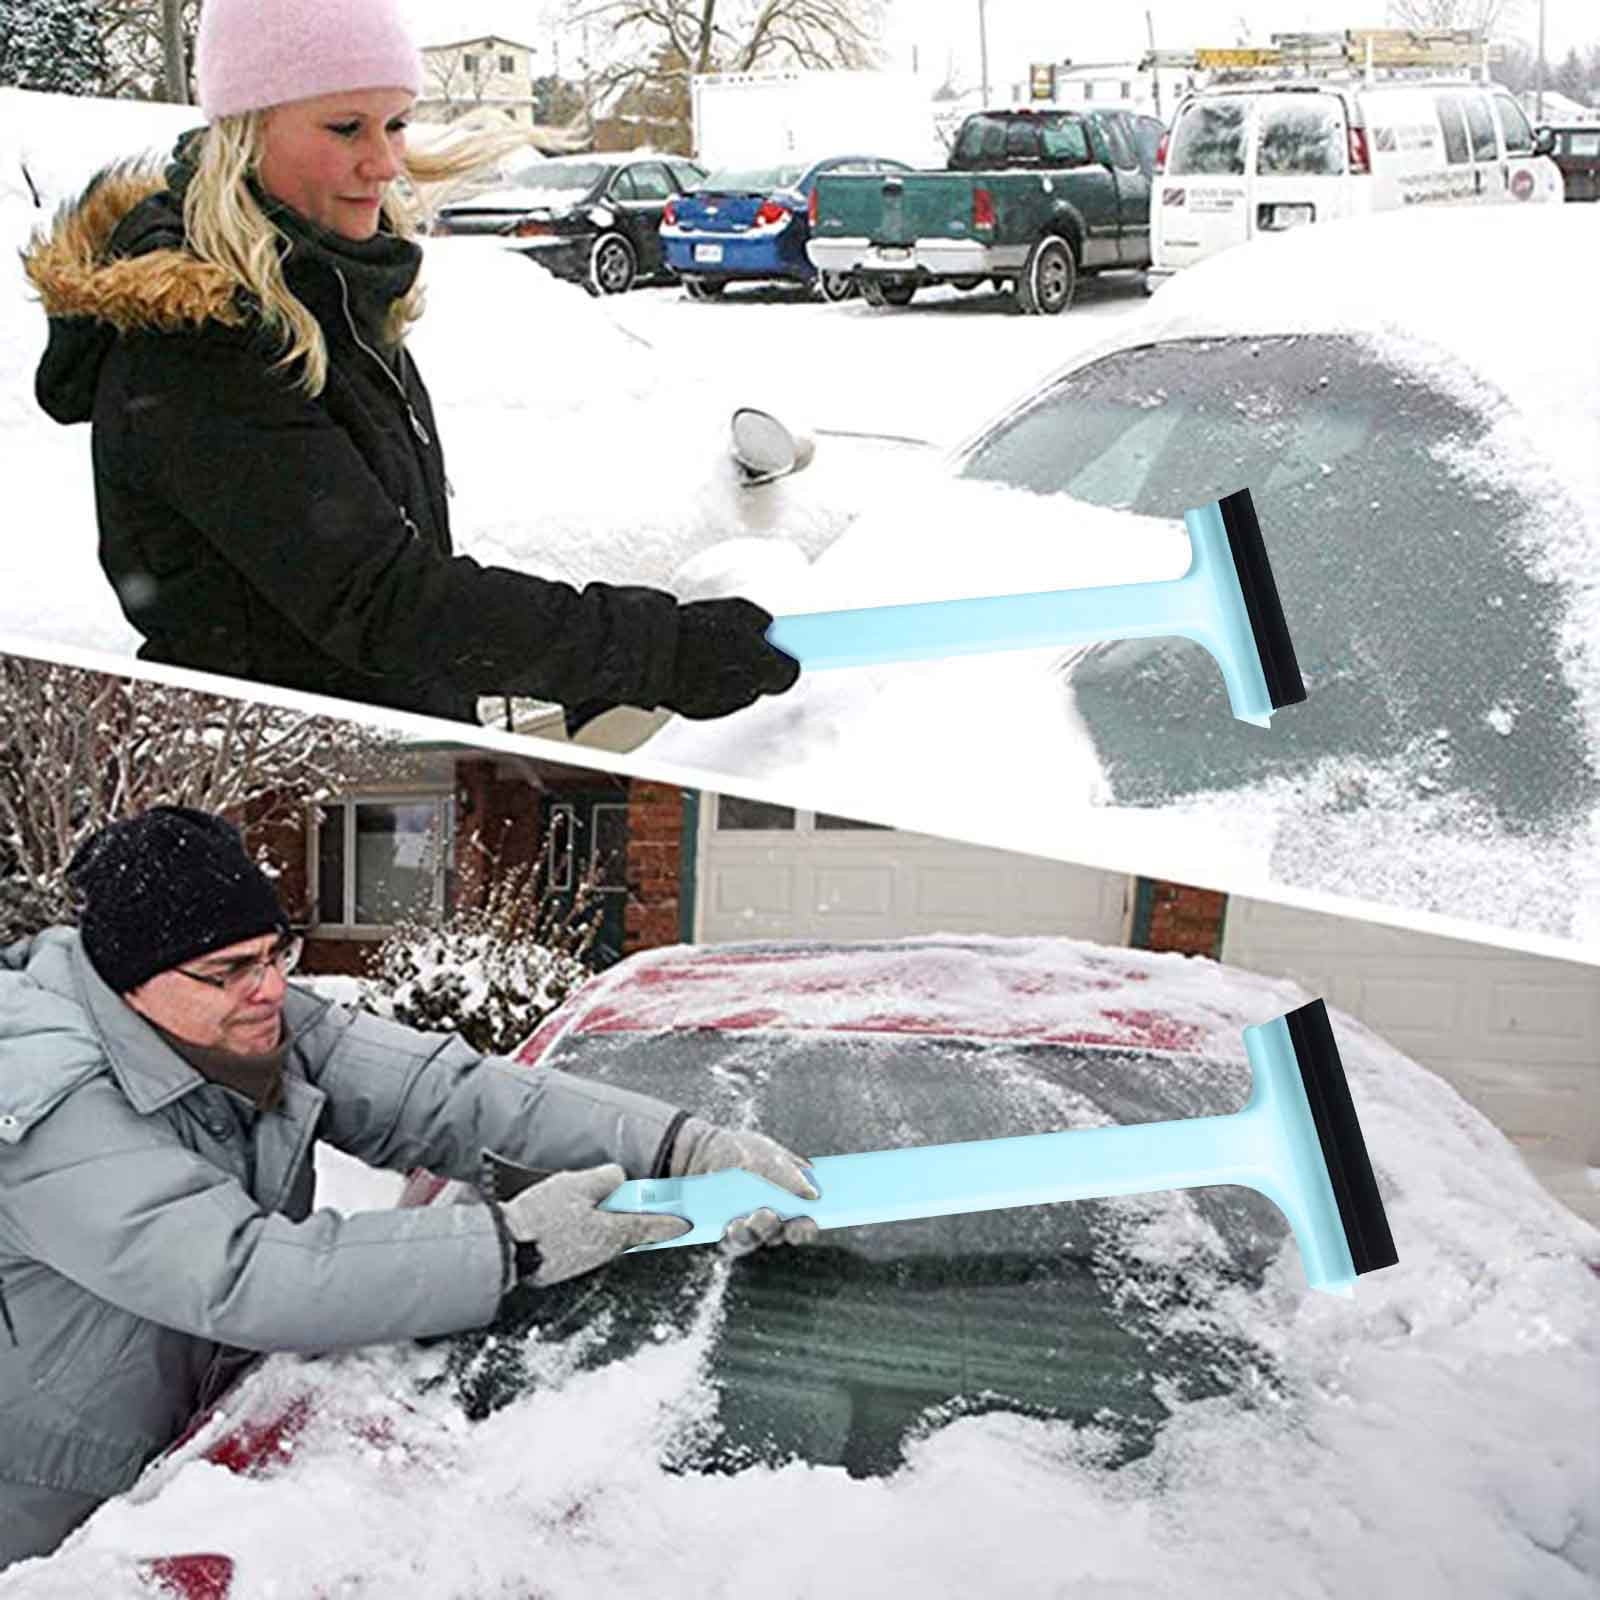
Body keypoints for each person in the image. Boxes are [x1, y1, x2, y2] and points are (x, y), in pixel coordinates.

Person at [0, 806, 818, 1569]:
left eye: (277, 954)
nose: (271, 987)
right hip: (45, 1502)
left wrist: (681, 1147)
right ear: (130, 980)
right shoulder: (42, 1094)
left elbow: (451, 1098)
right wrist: (513, 1246)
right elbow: (236, 1274)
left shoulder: (250, 1020)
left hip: (190, 1468)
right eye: (232, 969)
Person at [22, 0, 799, 728]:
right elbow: (384, 602)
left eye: (395, 124)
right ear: (246, 132)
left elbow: (398, 577)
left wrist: (578, 666)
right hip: (290, 748)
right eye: (346, 127)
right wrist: (655, 652)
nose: (384, 162)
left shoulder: (327, 294)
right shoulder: (197, 348)